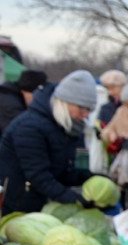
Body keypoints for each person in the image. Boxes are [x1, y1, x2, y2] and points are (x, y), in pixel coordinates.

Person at [0, 69, 97, 215]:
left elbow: (69, 169)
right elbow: (39, 176)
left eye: (89, 109)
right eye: (81, 108)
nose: (85, 115)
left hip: (40, 203)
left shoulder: (73, 127)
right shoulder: (29, 127)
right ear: (64, 103)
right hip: (16, 204)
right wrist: (74, 199)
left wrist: (89, 178)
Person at [0, 70, 46, 135]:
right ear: (26, 92)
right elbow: (21, 133)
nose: (37, 99)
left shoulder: (11, 97)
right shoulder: (10, 106)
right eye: (37, 95)